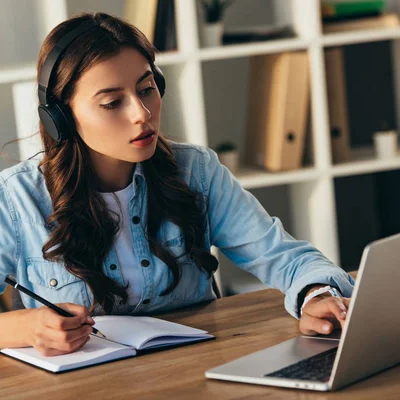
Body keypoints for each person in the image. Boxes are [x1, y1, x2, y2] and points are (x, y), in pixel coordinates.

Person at [0, 12, 354, 357]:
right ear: (60, 117)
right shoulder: (16, 198)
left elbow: (281, 255)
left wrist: (317, 295)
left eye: (147, 88)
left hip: (193, 369)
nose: (142, 113)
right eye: (112, 102)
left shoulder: (196, 171)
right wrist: (28, 326)